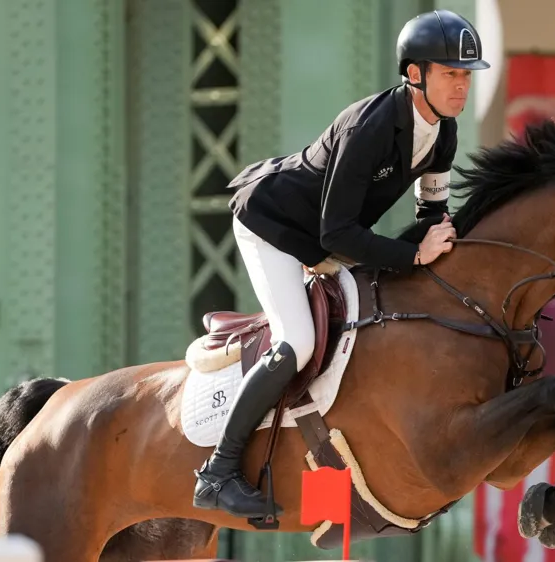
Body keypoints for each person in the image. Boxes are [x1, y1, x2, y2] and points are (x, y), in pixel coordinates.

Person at [192, 9, 490, 519]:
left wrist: (444, 241)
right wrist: (415, 254)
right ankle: (218, 472)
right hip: (273, 225)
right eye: (450, 74)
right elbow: (338, 233)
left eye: (465, 75)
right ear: (414, 74)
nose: (461, 87)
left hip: (322, 239)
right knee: (299, 341)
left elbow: (431, 212)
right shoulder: (370, 127)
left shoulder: (444, 132)